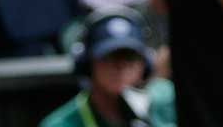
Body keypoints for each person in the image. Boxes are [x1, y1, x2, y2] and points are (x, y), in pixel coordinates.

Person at [39, 7, 169, 127]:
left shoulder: (165, 107)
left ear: (144, 64)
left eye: (129, 56)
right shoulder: (59, 124)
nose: (120, 67)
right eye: (111, 56)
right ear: (87, 63)